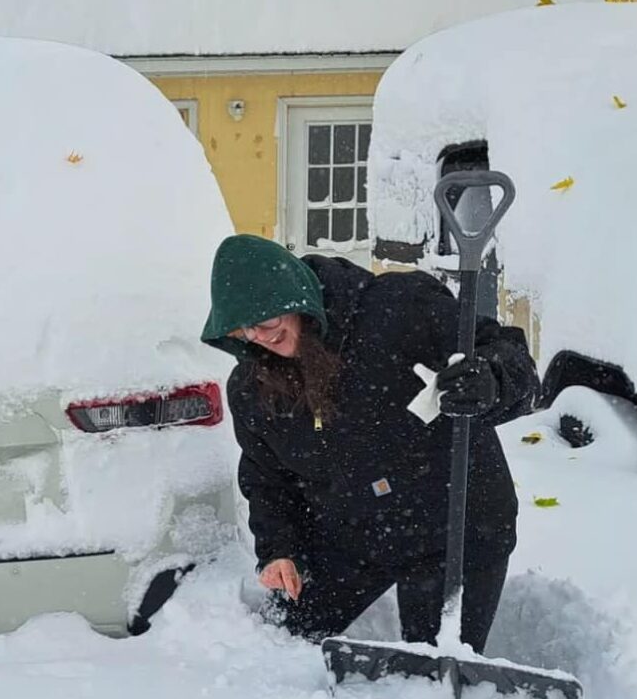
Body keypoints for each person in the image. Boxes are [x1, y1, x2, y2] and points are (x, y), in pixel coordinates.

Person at [201, 234, 539, 654]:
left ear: (298, 300)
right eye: (243, 332)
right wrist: (279, 551)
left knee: (437, 662)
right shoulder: (254, 387)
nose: (259, 338)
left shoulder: (401, 307)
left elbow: (515, 361)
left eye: (267, 323)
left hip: (456, 525)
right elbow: (268, 479)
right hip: (357, 535)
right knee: (281, 641)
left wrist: (491, 379)